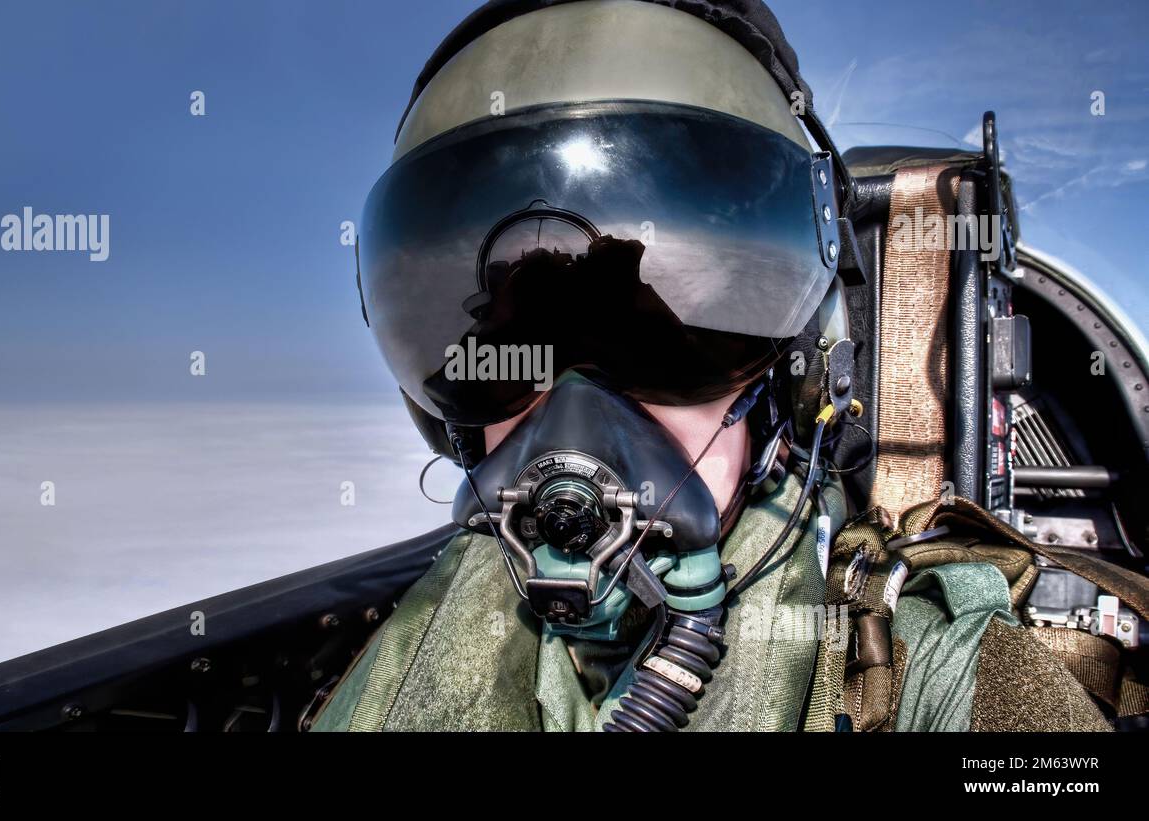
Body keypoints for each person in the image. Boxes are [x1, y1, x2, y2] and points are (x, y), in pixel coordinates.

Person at [313, 0, 1112, 732]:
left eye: (652, 352)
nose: (575, 420)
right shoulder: (414, 641)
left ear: (796, 374)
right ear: (453, 418)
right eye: (521, 357)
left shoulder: (916, 661)